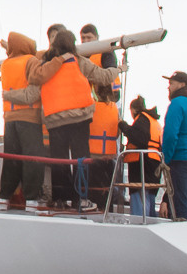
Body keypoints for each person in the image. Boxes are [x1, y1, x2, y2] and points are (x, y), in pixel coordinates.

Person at [33, 28, 119, 210]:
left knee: (59, 160)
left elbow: (35, 79)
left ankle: (59, 199)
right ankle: (82, 198)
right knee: (81, 159)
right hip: (79, 118)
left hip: (55, 120)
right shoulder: (79, 61)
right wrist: (119, 68)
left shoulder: (46, 64)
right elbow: (103, 77)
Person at [0, 32, 45, 211]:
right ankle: (31, 199)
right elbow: (34, 92)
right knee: (33, 158)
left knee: (11, 159)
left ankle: (4, 197)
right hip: (29, 116)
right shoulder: (31, 61)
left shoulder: (6, 64)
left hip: (9, 118)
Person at [160, 71, 187, 222]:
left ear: (182, 85)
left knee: (180, 204)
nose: (169, 86)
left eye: (172, 83)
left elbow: (171, 134)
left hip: (182, 159)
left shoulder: (177, 103)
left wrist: (166, 158)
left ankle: (186, 239)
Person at [86, 80, 124, 210]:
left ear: (97, 91)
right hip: (110, 155)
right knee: (108, 190)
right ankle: (107, 211)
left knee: (94, 190)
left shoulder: (92, 107)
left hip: (94, 155)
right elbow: (118, 132)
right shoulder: (115, 109)